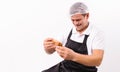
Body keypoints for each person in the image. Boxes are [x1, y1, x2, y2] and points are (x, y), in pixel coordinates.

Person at [42, 2, 105, 72]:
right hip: (65, 68)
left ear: (87, 16)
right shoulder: (68, 30)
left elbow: (97, 61)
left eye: (78, 20)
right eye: (73, 20)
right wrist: (48, 48)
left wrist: (73, 56)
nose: (75, 23)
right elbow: (50, 51)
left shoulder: (96, 33)